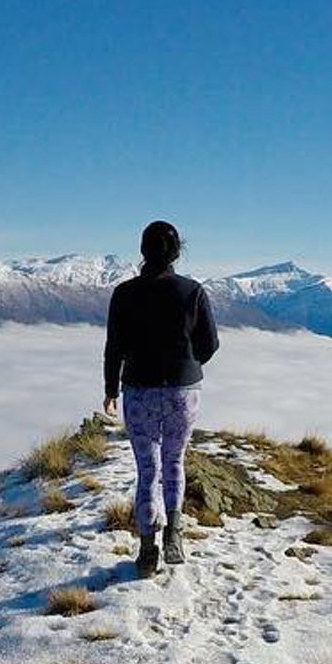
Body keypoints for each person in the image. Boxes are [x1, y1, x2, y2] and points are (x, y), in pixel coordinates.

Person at [103, 220, 219, 573]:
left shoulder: (124, 293)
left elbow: (114, 348)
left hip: (138, 390)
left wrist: (110, 388)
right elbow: (209, 343)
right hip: (184, 391)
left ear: (142, 251)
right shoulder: (193, 291)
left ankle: (148, 547)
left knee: (147, 469)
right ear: (177, 252)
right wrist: (187, 364)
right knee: (174, 462)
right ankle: (175, 533)